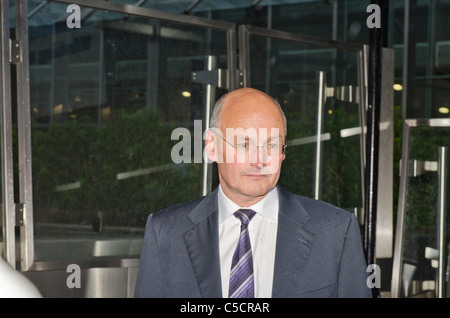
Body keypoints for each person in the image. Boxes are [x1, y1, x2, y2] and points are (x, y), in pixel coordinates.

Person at [134, 87, 372, 298]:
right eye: (244, 144)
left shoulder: (335, 231)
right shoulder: (165, 232)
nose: (260, 160)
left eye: (271, 145)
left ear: (283, 152)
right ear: (212, 147)